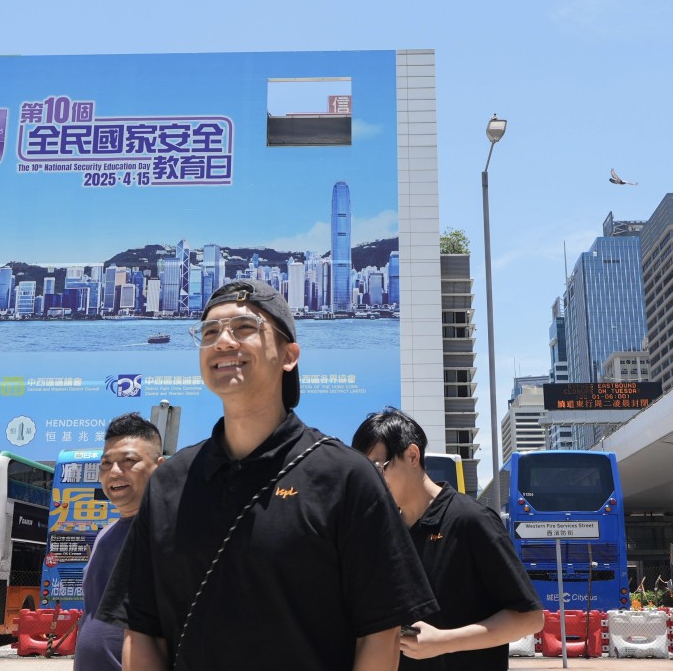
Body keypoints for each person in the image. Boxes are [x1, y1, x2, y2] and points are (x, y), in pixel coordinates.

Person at [99, 280, 437, 670]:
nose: (223, 342)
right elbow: (142, 629)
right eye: (209, 333)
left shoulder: (346, 476)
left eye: (244, 328)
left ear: (289, 355)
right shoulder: (168, 484)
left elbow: (379, 633)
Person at [351, 408, 543, 671]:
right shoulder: (385, 531)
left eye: (378, 469)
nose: (371, 482)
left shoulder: (471, 520)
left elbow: (530, 618)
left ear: (412, 455)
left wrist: (443, 641)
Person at [73, 412, 164, 671]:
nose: (114, 471)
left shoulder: (171, 533)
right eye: (106, 463)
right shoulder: (104, 535)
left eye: (129, 461)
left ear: (160, 466)